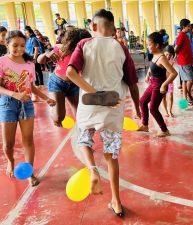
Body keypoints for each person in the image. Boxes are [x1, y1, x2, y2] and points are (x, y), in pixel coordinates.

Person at [66, 9, 138, 217]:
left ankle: (92, 169)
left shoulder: (84, 44)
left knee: (84, 140)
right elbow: (133, 83)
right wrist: (139, 109)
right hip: (113, 108)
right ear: (113, 29)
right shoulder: (121, 47)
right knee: (111, 156)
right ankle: (116, 201)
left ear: (94, 27)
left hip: (89, 104)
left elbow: (70, 72)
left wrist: (93, 92)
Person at [0, 30, 56, 186]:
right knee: (8, 144)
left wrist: (47, 98)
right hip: (7, 105)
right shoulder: (2, 62)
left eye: (22, 45)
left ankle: (29, 172)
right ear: (7, 45)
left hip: (27, 105)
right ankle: (11, 161)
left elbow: (31, 86)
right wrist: (14, 94)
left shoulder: (29, 64)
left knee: (28, 141)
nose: (19, 49)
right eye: (15, 45)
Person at [37, 28, 91, 127]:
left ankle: (82, 132)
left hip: (74, 84)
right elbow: (39, 60)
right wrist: (46, 54)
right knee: (58, 117)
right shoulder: (60, 49)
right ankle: (55, 115)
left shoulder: (85, 53)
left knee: (80, 114)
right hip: (57, 83)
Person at [138, 32, 177, 136]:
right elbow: (152, 66)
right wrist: (148, 74)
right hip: (153, 83)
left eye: (149, 44)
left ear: (157, 45)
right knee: (142, 102)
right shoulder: (155, 55)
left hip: (159, 84)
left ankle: (164, 130)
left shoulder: (162, 58)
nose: (148, 46)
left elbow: (174, 73)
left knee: (153, 109)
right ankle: (145, 125)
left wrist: (164, 85)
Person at [175, 19, 193, 104]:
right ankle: (188, 97)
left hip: (186, 61)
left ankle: (186, 98)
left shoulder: (185, 35)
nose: (190, 27)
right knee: (190, 80)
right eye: (188, 26)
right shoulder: (181, 35)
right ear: (184, 27)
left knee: (184, 80)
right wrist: (175, 57)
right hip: (184, 62)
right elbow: (176, 48)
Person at [24, 26, 45, 92]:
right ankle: (37, 84)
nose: (26, 34)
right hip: (30, 57)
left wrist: (34, 58)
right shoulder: (29, 39)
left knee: (38, 71)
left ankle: (41, 84)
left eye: (26, 33)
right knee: (34, 71)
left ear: (30, 33)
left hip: (34, 56)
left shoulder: (33, 39)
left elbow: (36, 49)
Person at [162, 45, 176, 117]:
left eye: (170, 55)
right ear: (164, 53)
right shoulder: (161, 59)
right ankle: (165, 111)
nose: (168, 56)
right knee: (163, 96)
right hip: (161, 80)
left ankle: (170, 110)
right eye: (166, 54)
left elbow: (171, 71)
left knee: (170, 96)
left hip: (170, 80)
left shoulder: (172, 60)